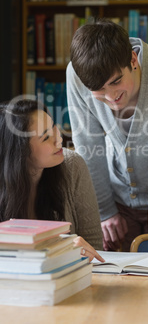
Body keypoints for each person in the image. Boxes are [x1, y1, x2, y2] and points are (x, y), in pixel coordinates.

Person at [66, 18, 148, 251]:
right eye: (99, 90)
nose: (111, 96)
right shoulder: (76, 74)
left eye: (116, 82)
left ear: (133, 59)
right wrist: (104, 211)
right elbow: (88, 146)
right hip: (117, 203)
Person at [0, 98, 104, 262]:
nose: (59, 139)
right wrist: (61, 249)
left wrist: (78, 252)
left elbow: (95, 245)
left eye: (54, 126)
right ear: (20, 152)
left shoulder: (72, 166)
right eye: (46, 136)